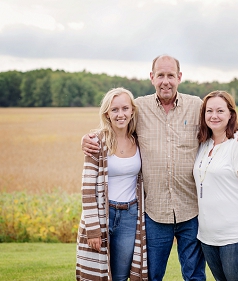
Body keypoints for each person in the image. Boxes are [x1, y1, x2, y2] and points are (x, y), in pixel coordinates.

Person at [82, 55, 238, 281]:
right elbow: (115, 122)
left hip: (191, 210)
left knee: (194, 275)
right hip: (155, 213)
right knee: (152, 276)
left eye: (171, 75)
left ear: (179, 77)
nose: (166, 81)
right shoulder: (139, 108)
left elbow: (221, 120)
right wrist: (86, 138)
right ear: (152, 77)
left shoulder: (196, 106)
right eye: (160, 75)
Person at [193, 91, 238, 281]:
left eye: (220, 110)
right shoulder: (203, 144)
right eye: (209, 111)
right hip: (209, 237)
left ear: (230, 114)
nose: (214, 116)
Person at [76, 88, 148, 281]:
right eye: (114, 109)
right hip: (103, 214)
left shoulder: (139, 140)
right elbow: (88, 188)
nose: (120, 114)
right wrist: (93, 229)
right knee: (97, 274)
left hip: (129, 216)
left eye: (125, 108)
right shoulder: (96, 141)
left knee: (120, 276)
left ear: (132, 111)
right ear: (107, 113)